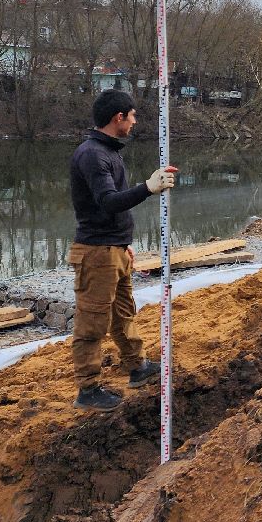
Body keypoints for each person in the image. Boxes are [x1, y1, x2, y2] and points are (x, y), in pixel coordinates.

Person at [68, 90, 177, 412]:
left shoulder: (108, 151)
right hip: (96, 252)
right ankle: (88, 389)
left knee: (123, 312)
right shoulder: (92, 155)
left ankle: (136, 365)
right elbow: (108, 201)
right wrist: (148, 188)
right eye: (132, 116)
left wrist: (122, 243)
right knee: (92, 324)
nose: (135, 121)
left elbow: (109, 207)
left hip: (114, 249)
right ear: (119, 117)